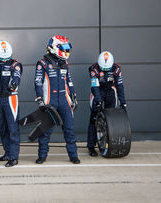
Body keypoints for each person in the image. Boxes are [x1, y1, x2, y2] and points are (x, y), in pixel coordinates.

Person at [34, 35, 80, 164]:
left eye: (67, 49)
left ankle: (73, 156)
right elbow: (37, 82)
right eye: (63, 49)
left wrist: (73, 95)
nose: (66, 52)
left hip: (64, 101)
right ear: (54, 48)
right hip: (49, 101)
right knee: (45, 131)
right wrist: (39, 99)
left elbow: (69, 81)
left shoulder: (64, 63)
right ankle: (42, 156)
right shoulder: (42, 63)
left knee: (69, 130)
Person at [0, 41, 22, 167]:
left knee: (13, 128)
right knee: (2, 128)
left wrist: (13, 85)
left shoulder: (15, 65)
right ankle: (7, 153)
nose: (5, 60)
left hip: (10, 99)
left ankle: (13, 157)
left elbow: (16, 78)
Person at [87, 51, 126, 156]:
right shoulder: (93, 69)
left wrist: (123, 102)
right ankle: (91, 147)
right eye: (102, 68)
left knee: (111, 118)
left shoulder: (117, 69)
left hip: (110, 91)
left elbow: (119, 86)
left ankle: (110, 144)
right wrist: (98, 102)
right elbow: (94, 87)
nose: (104, 70)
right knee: (94, 118)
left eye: (107, 69)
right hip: (97, 91)